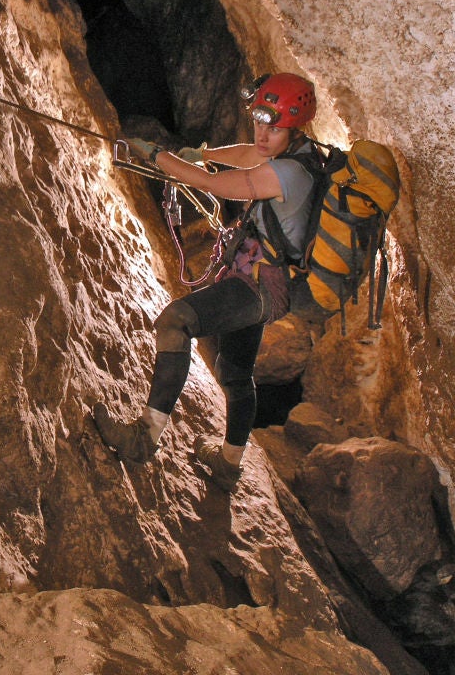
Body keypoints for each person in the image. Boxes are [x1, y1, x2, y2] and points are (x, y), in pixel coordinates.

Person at [94, 72, 320, 489]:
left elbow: (215, 185)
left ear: (294, 125)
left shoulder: (288, 175)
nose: (263, 134)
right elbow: (248, 154)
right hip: (258, 277)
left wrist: (160, 157)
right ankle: (229, 466)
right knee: (234, 373)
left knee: (175, 321)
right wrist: (202, 153)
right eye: (258, 121)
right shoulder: (299, 154)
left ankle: (144, 438)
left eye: (274, 127)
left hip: (256, 286)